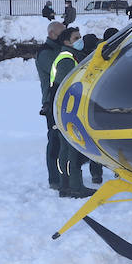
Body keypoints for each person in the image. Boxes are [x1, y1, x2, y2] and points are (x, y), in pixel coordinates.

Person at [49, 26, 96, 198]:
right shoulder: (66, 59)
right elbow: (72, 83)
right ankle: (74, 186)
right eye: (76, 38)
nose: (80, 40)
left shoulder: (71, 56)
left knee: (66, 149)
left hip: (65, 108)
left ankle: (66, 185)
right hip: (66, 109)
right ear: (67, 42)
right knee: (70, 150)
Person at [35, 21, 69, 190]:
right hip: (52, 101)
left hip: (65, 99)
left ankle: (67, 175)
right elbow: (60, 72)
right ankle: (54, 178)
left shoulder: (60, 50)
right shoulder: (45, 53)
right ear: (52, 34)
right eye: (61, 33)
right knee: (55, 140)